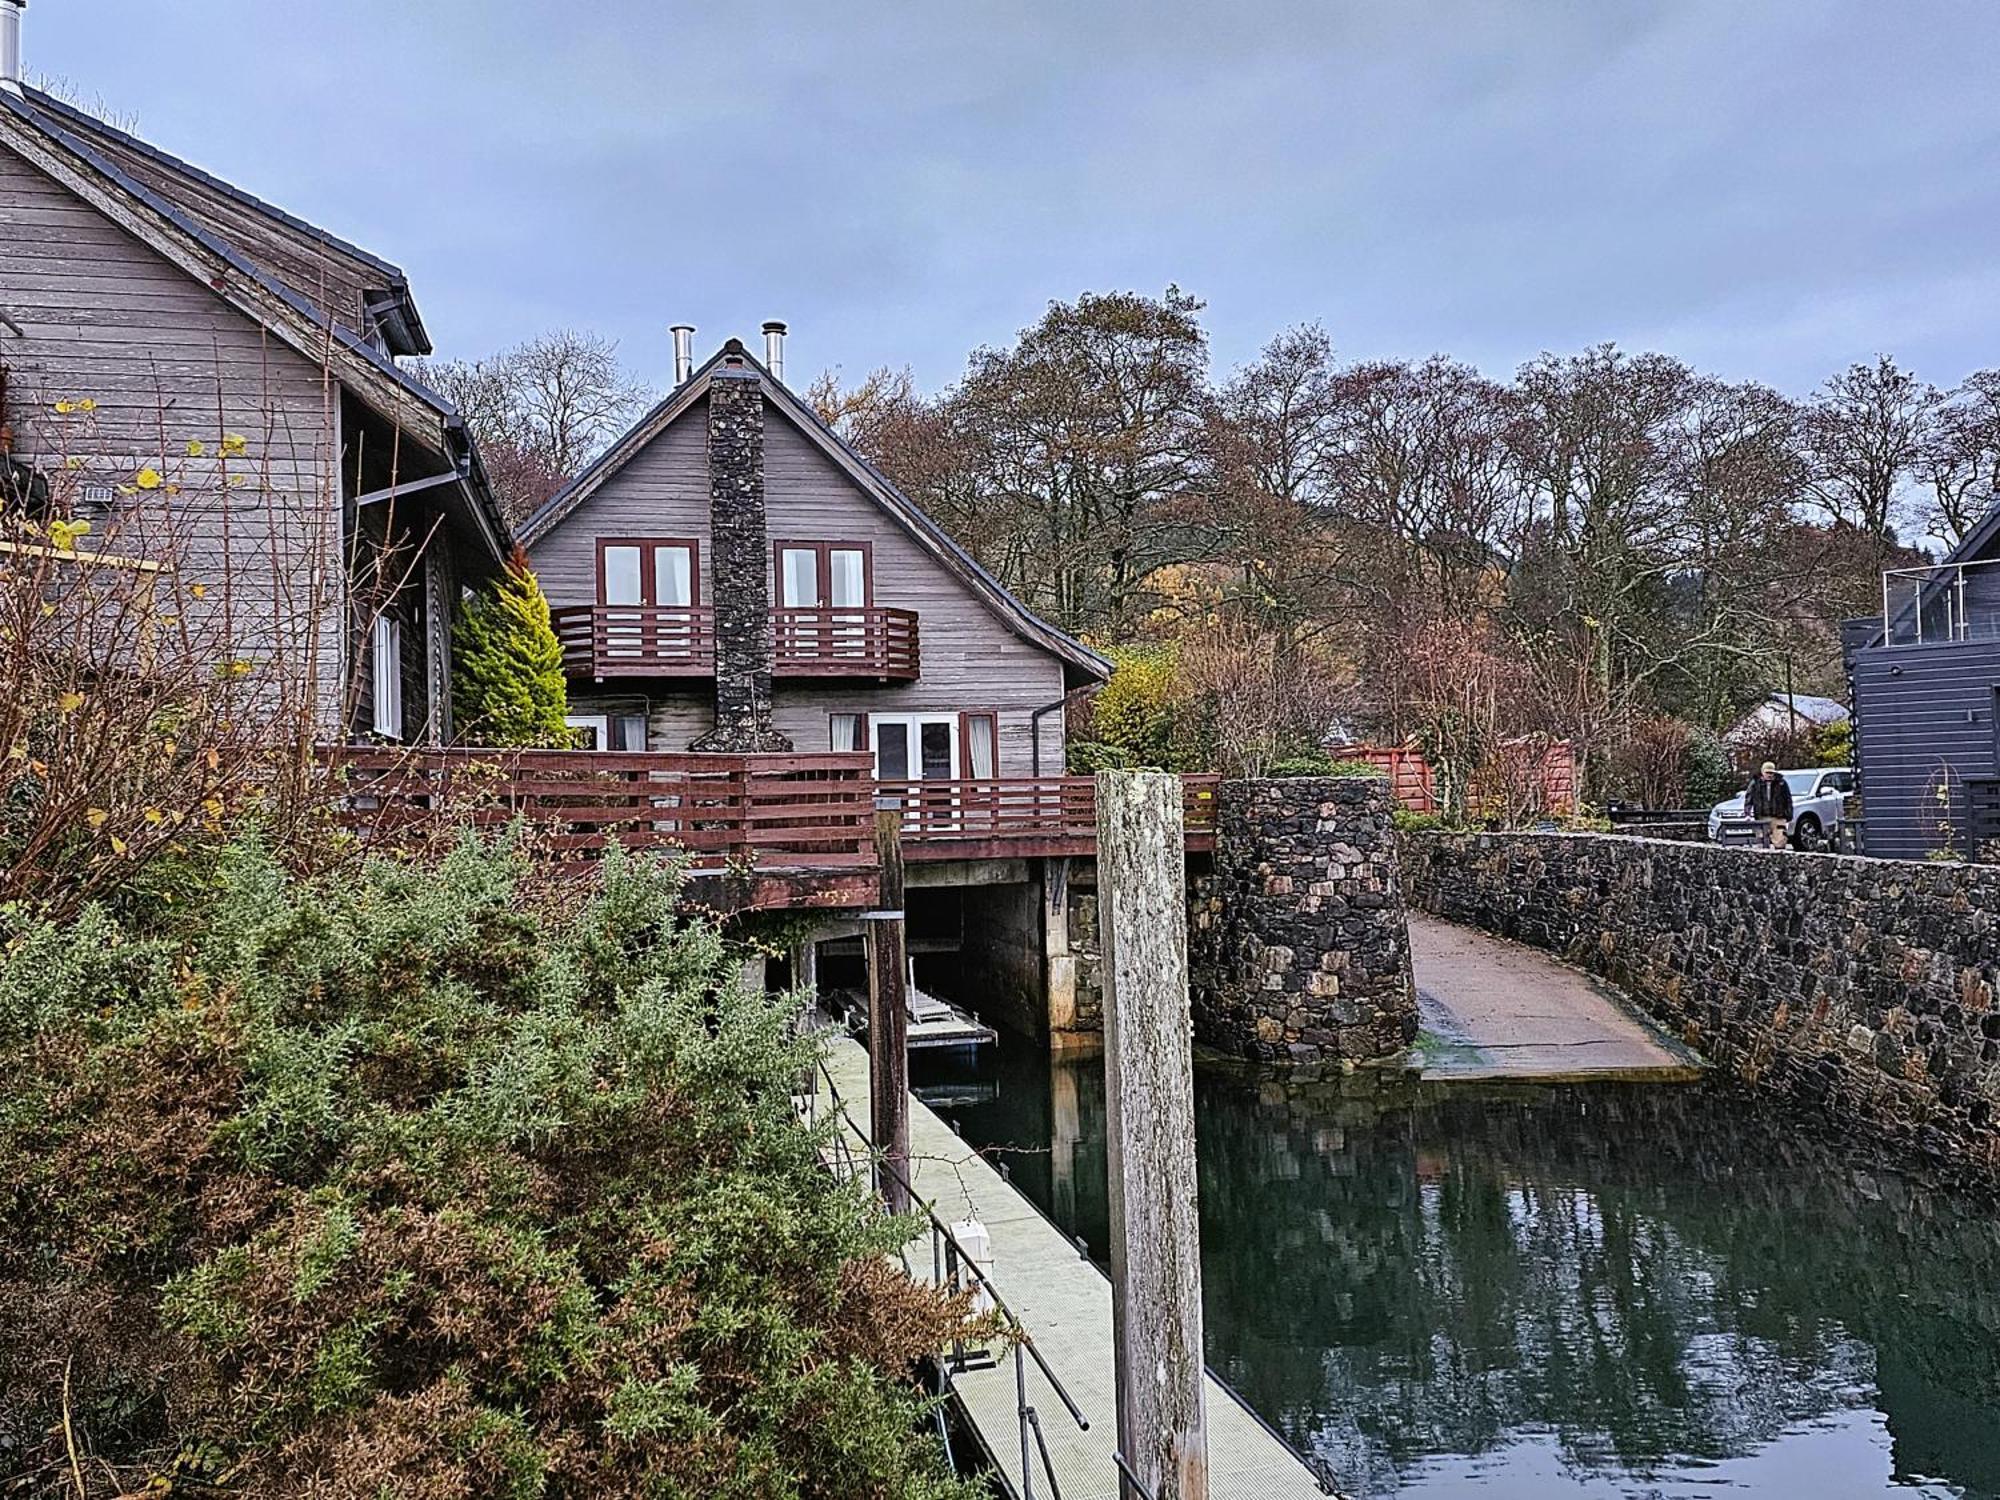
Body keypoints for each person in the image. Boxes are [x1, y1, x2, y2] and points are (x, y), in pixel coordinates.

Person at [1744, 760, 1793, 848]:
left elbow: (1788, 800)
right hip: (1761, 816)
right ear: (1762, 772)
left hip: (1778, 817)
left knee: (1780, 842)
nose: (1770, 775)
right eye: (1767, 772)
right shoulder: (1755, 783)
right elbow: (1748, 799)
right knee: (1761, 842)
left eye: (1771, 773)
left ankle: (1780, 860)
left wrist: (1789, 815)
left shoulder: (1781, 783)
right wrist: (1747, 813)